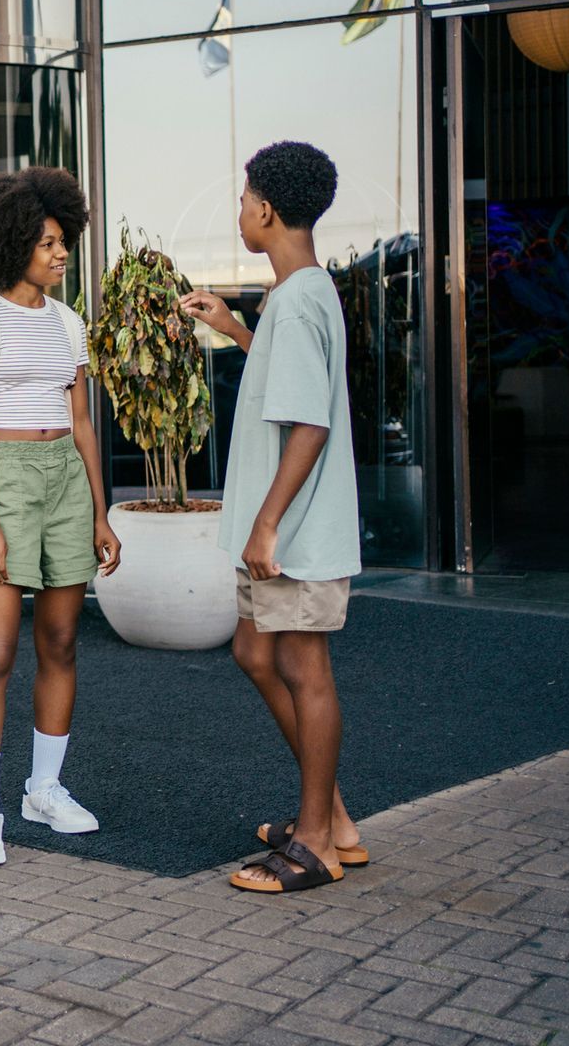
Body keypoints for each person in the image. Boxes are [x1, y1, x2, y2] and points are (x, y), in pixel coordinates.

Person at [180, 140, 362, 895]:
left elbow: (309, 425)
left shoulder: (295, 301)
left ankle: (317, 841)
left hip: (293, 535)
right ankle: (335, 820)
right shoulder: (302, 295)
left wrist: (266, 525)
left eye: (245, 197)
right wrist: (233, 328)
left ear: (266, 210)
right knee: (257, 654)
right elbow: (291, 387)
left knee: (302, 667)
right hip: (287, 530)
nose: (241, 210)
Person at [0, 168, 121, 867]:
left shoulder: (70, 321)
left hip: (66, 484)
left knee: (61, 642)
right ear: (11, 243)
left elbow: (82, 422)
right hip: (4, 478)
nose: (60, 254)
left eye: (63, 241)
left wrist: (101, 513)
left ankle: (42, 789)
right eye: (47, 243)